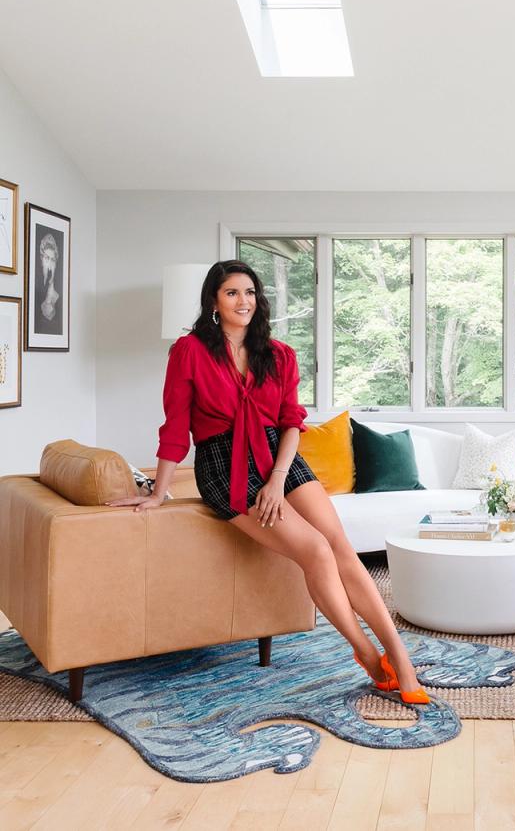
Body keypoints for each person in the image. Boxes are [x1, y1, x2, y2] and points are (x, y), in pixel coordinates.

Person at [108, 259, 429, 704]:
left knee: (340, 544)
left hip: (278, 456)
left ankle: (400, 656)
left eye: (250, 292)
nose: (244, 301)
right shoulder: (189, 351)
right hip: (224, 464)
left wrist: (277, 480)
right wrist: (158, 493)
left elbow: (291, 422)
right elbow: (176, 425)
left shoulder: (279, 354)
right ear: (214, 301)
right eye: (232, 293)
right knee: (315, 550)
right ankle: (368, 656)